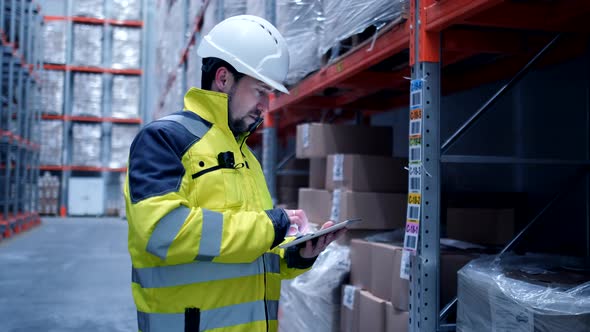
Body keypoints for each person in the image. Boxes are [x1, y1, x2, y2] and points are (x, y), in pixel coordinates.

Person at [124, 15, 345, 332]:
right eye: (259, 91)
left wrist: (295, 257)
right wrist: (271, 226)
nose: (264, 106)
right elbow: (162, 232)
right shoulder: (164, 140)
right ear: (224, 79)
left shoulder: (247, 159)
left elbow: (245, 255)